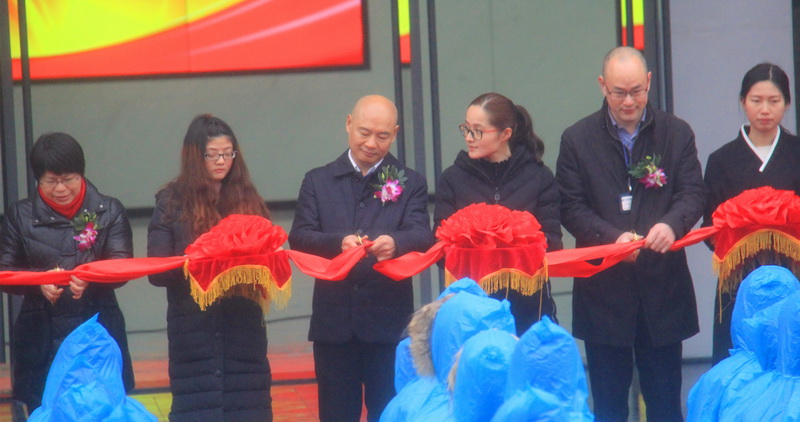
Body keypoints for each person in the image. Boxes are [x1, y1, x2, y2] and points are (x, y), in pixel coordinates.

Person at [556, 46, 706, 421]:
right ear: (602, 85)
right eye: (619, 92)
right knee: (608, 407)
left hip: (662, 286)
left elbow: (693, 193)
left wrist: (671, 225)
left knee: (665, 405)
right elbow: (570, 206)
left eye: (636, 91)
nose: (628, 101)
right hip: (604, 291)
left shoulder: (675, 133)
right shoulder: (577, 139)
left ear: (649, 83)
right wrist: (611, 239)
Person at [289, 95, 433, 422]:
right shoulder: (318, 180)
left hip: (388, 325)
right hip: (334, 325)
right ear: (348, 124)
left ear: (395, 134)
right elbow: (300, 236)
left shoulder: (410, 181)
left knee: (389, 413)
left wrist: (395, 243)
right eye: (364, 132)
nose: (371, 143)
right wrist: (337, 243)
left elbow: (422, 235)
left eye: (382, 136)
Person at [147, 114, 273, 421]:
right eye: (212, 155)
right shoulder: (171, 202)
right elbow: (157, 271)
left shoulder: (248, 198)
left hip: (243, 329)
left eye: (228, 154)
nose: (221, 162)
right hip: (193, 331)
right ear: (194, 156)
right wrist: (202, 259)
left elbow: (267, 259)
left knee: (248, 410)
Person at [0, 132, 135, 415]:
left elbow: (122, 265)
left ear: (81, 174)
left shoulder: (109, 210)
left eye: (68, 179)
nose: (60, 188)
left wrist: (91, 276)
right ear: (38, 179)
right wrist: (40, 282)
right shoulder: (19, 215)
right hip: (41, 337)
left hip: (98, 330)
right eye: (50, 181)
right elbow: (6, 270)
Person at [434, 92, 563, 336]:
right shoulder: (452, 178)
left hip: (527, 308)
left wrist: (512, 240)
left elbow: (552, 243)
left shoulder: (539, 176)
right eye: (466, 129)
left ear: (505, 134)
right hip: (469, 310)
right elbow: (440, 250)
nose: (469, 137)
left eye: (478, 131)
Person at [703, 63, 800, 364]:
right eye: (756, 100)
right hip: (739, 283)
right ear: (743, 101)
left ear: (787, 103)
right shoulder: (721, 160)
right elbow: (709, 227)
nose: (765, 110)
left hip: (794, 277)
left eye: (774, 101)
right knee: (738, 359)